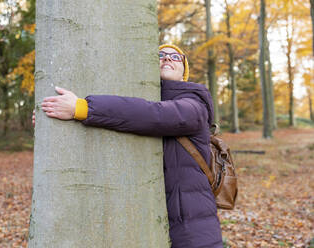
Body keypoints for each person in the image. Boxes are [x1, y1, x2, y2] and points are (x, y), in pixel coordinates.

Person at [34, 44, 223, 248]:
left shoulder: (195, 103)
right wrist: (50, 122)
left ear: (184, 72)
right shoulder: (138, 93)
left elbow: (154, 115)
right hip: (143, 221)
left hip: (192, 225)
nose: (167, 58)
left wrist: (83, 108)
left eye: (176, 57)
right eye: (160, 55)